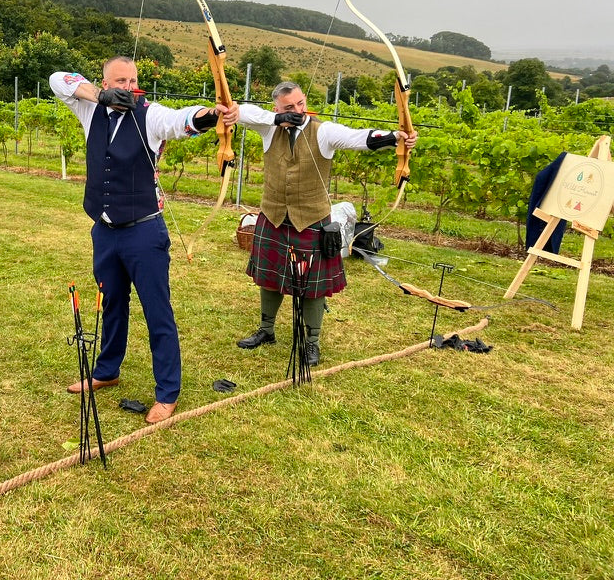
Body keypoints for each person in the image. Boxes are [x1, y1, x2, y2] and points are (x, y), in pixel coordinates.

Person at [51, 56, 239, 423]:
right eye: (119, 81)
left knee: (157, 312)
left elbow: (181, 120)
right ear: (103, 83)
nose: (127, 87)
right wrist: (99, 97)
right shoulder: (90, 109)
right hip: (104, 230)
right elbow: (59, 79)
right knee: (111, 303)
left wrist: (211, 115)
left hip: (143, 231)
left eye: (132, 80)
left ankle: (167, 392)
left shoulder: (149, 115)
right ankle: (107, 371)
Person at [233, 81, 417, 365]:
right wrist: (276, 119)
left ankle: (312, 342)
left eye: (300, 104)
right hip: (273, 216)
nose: (298, 111)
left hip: (311, 220)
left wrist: (396, 137)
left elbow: (359, 138)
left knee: (310, 285)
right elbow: (240, 111)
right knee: (269, 278)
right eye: (289, 108)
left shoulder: (323, 132)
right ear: (277, 108)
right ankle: (266, 330)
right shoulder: (269, 127)